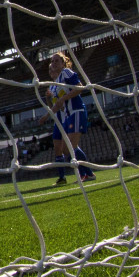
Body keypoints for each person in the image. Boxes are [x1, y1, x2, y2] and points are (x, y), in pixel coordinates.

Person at [40, 51, 95, 184]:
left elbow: (80, 87)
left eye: (57, 61)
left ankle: (85, 174)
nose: (53, 63)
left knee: (70, 147)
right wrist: (46, 116)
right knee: (66, 149)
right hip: (68, 115)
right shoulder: (55, 84)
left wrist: (64, 98)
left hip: (76, 111)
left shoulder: (66, 73)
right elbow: (58, 105)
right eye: (52, 61)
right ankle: (88, 173)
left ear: (63, 63)